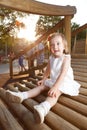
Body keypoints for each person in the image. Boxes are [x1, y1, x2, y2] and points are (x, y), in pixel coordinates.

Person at [6, 32, 80, 124]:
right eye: (52, 45)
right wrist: (44, 79)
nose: (55, 47)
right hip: (54, 80)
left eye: (58, 43)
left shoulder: (66, 58)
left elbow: (63, 74)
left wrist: (55, 87)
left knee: (54, 93)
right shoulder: (51, 58)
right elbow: (47, 71)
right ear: (50, 48)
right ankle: (22, 96)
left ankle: (43, 108)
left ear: (64, 46)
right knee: (41, 87)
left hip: (64, 81)